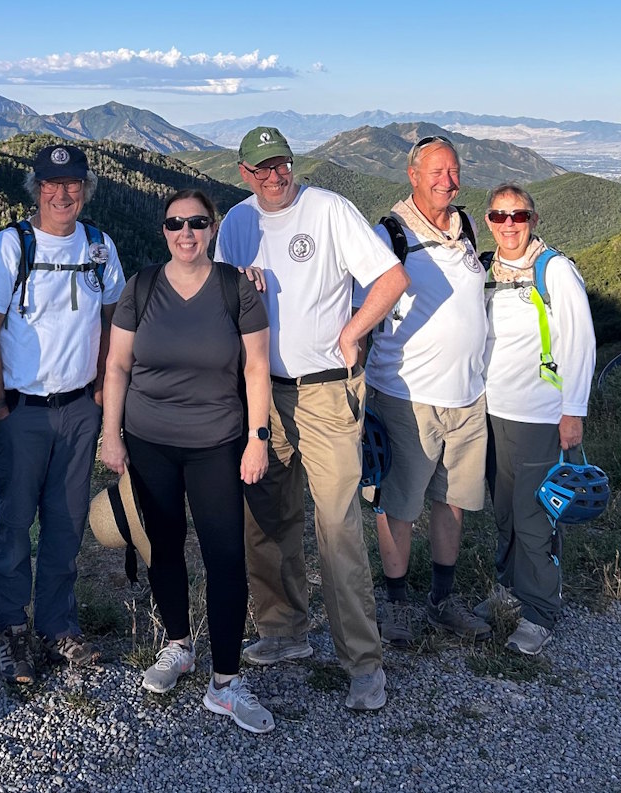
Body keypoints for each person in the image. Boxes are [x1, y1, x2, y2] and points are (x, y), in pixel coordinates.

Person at [215, 127, 409, 711]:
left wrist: (354, 331)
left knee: (338, 528)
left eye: (282, 165)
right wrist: (236, 288)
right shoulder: (236, 223)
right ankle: (283, 631)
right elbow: (216, 298)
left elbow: (391, 278)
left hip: (326, 393)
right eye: (263, 169)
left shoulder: (328, 209)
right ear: (245, 174)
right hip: (261, 395)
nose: (275, 176)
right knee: (265, 519)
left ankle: (364, 664)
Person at [100, 189, 274, 733]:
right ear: (164, 231)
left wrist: (258, 438)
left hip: (217, 442)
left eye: (197, 223)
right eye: (175, 224)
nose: (186, 233)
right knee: (164, 545)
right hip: (148, 439)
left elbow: (256, 368)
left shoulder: (235, 289)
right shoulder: (141, 287)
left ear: (212, 228)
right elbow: (117, 366)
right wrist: (111, 435)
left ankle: (226, 681)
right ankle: (178, 644)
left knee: (225, 556)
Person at [0, 143, 125, 681]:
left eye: (73, 184)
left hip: (79, 408)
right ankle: (12, 627)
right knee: (16, 523)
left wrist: (103, 391)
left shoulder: (100, 246)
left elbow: (113, 322)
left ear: (86, 189)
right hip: (22, 410)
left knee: (67, 522)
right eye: (51, 184)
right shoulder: (9, 248)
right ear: (36, 188)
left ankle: (58, 627)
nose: (62, 194)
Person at [365, 135, 492, 647]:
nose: (447, 180)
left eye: (453, 170)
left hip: (467, 396)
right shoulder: (389, 234)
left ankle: (442, 600)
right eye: (436, 172)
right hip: (407, 395)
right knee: (399, 504)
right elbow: (359, 303)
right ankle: (395, 604)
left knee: (451, 501)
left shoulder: (467, 227)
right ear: (413, 175)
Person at [478, 183, 596, 655]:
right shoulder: (487, 269)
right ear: (488, 221)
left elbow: (580, 341)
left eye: (519, 215)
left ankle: (540, 612)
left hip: (539, 414)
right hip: (492, 411)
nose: (509, 224)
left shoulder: (554, 270)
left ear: (534, 219)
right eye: (499, 215)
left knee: (534, 516)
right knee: (505, 511)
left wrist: (573, 412)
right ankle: (509, 589)